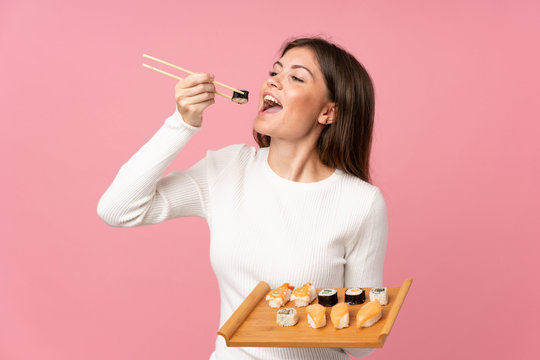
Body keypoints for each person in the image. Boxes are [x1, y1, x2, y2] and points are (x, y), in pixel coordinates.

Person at [98, 37, 388, 360]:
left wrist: (311, 308)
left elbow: (358, 345)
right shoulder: (227, 169)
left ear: (328, 111)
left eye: (295, 77)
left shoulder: (361, 203)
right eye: (275, 71)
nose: (273, 81)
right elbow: (117, 208)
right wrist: (182, 124)